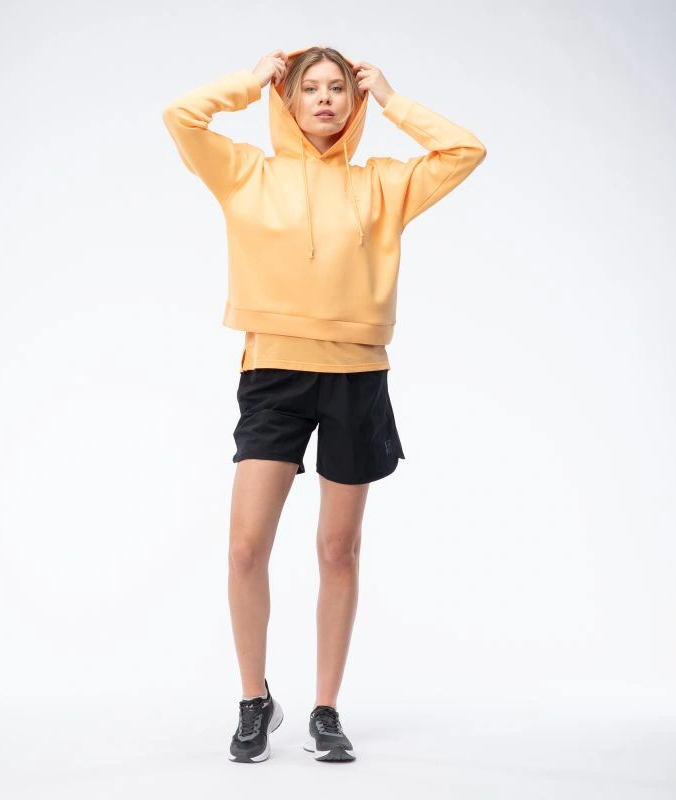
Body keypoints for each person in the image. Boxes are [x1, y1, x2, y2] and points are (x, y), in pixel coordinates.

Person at [162, 45, 486, 764]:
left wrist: (393, 99)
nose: (325, 99)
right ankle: (254, 700)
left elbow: (465, 150)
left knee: (338, 550)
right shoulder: (246, 172)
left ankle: (326, 708)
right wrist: (249, 83)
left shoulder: (383, 185)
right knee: (245, 548)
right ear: (288, 99)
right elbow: (180, 117)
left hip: (355, 377)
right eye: (309, 88)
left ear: (354, 100)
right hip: (274, 373)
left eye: (339, 87)